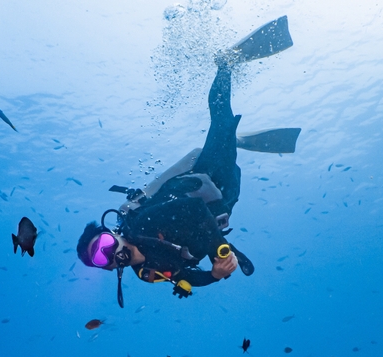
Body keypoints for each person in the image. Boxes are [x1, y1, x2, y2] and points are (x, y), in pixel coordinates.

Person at [76, 16, 301, 307]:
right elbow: (186, 276)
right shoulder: (146, 273)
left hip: (210, 178)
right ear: (105, 269)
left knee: (221, 123)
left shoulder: (143, 222)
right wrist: (215, 274)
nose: (108, 254)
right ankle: (232, 141)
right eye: (100, 257)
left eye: (104, 245)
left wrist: (218, 248)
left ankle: (225, 63)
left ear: (113, 236)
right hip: (226, 200)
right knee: (225, 140)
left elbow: (194, 208)